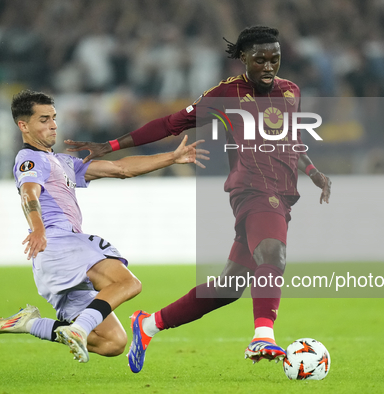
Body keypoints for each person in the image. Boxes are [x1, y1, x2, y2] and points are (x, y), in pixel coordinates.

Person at [65, 26, 332, 373]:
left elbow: (291, 141)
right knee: (273, 253)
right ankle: (262, 335)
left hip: (281, 194)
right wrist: (111, 146)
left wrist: (312, 172)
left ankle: (147, 325)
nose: (269, 66)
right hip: (252, 190)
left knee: (230, 286)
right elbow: (170, 123)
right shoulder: (225, 94)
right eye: (260, 59)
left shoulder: (291, 92)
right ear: (243, 59)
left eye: (275, 59)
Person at [0, 89, 207, 363]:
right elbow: (29, 192)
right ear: (23, 125)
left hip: (53, 260)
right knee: (127, 282)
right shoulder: (31, 160)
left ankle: (31, 324)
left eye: (53, 117)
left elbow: (121, 169)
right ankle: (79, 328)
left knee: (113, 342)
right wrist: (38, 228)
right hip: (58, 242)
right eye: (43, 119)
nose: (52, 124)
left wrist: (170, 157)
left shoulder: (62, 161)